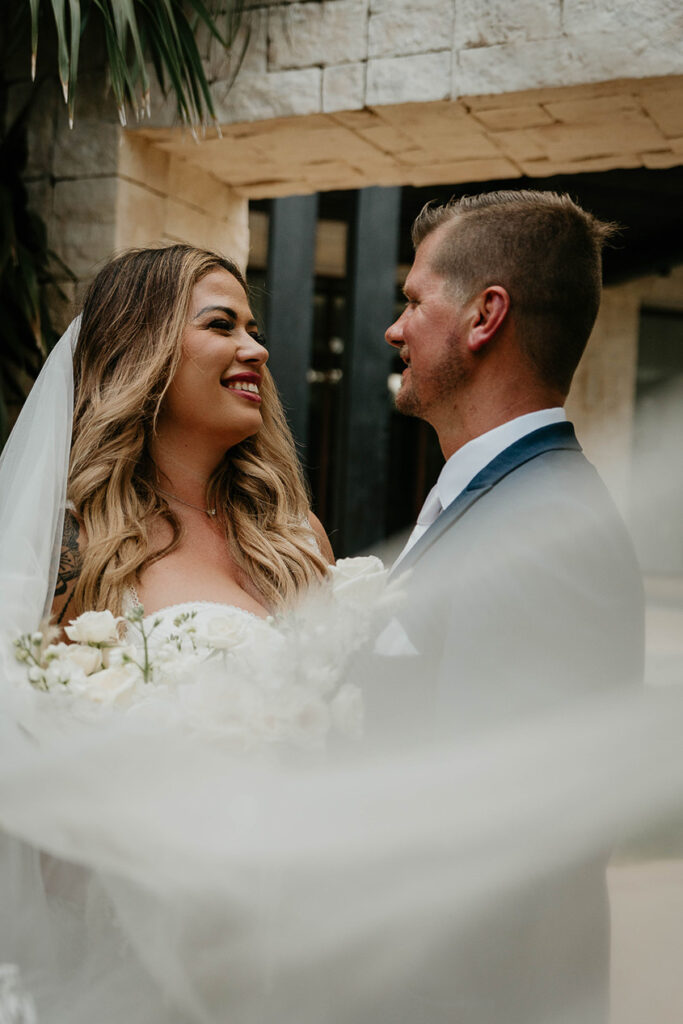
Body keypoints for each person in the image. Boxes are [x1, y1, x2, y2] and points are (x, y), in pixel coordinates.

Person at [377, 189, 645, 1022]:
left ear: (484, 316)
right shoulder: (499, 496)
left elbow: (488, 851)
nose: (395, 327)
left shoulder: (537, 529)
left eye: (414, 300)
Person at [44, 245, 333, 634]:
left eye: (253, 332)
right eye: (220, 325)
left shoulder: (298, 536)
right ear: (140, 352)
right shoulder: (77, 548)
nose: (258, 350)